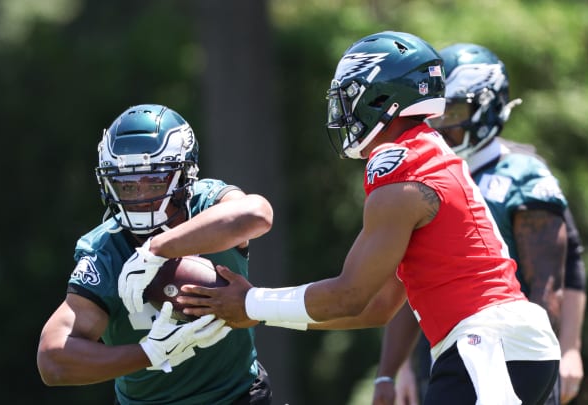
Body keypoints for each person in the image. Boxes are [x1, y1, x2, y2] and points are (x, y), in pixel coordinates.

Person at [174, 31, 561, 404]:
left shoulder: (401, 168)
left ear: (383, 100)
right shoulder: (425, 155)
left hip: (486, 343)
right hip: (504, 343)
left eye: (350, 97)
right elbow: (374, 307)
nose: (342, 111)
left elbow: (348, 294)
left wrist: (252, 302)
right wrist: (256, 313)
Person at [372, 43, 587, 405]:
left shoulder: (522, 174)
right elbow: (412, 281)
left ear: (486, 106)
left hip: (509, 354)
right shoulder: (425, 177)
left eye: (452, 111)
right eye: (434, 115)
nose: (440, 125)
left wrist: (568, 349)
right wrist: (396, 369)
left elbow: (552, 283)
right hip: (445, 351)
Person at [36, 104, 275, 404]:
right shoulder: (106, 251)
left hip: (238, 395)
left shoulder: (206, 204)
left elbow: (257, 214)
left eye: (154, 180)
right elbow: (52, 359)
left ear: (184, 175)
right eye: (126, 184)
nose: (139, 197)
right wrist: (149, 352)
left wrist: (156, 249)